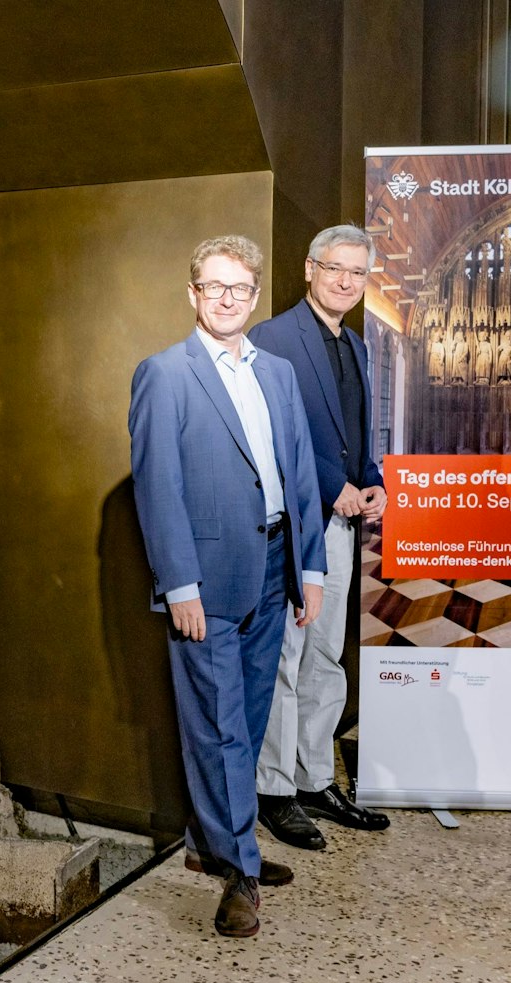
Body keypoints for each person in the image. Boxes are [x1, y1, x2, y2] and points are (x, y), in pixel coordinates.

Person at [129, 235, 326, 937]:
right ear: (193, 294)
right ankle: (240, 871)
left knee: (244, 719)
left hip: (274, 567)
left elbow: (298, 470)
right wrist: (177, 583)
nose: (227, 299)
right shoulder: (165, 374)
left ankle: (216, 842)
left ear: (254, 295)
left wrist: (310, 567)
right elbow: (157, 488)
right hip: (206, 580)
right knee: (217, 728)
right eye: (214, 287)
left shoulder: (275, 372)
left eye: (240, 289)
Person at [246, 225, 390, 851]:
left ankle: (312, 778)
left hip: (342, 520)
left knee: (326, 654)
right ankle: (275, 790)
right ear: (309, 268)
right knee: (288, 654)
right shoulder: (271, 338)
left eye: (357, 274)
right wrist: (332, 486)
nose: (345, 282)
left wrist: (372, 479)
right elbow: (273, 431)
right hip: (296, 520)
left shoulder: (355, 344)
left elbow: (353, 431)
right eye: (335, 269)